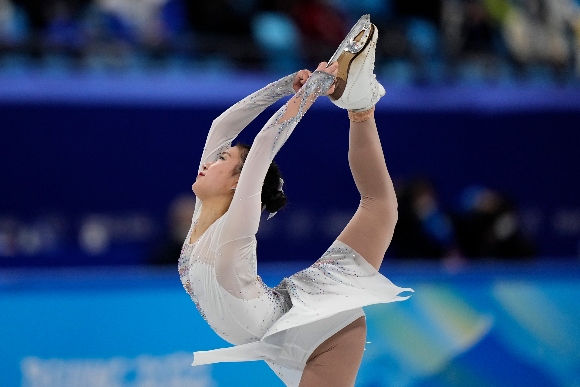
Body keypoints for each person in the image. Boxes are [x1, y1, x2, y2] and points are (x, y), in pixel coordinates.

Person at [178, 15, 412, 387]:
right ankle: (360, 104)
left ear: (239, 184)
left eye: (222, 160)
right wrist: (286, 85)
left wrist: (313, 88)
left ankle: (361, 106)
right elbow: (221, 127)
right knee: (380, 207)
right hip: (285, 329)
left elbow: (266, 143)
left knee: (379, 206)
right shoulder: (201, 222)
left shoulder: (235, 226)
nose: (208, 162)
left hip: (323, 334)